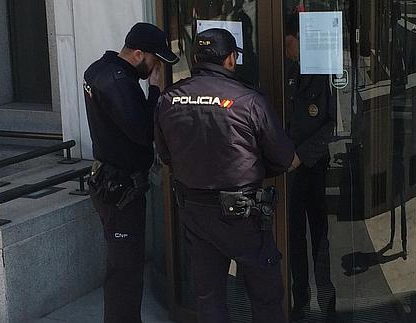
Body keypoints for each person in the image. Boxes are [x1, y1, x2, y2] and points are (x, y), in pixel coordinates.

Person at [154, 28, 300, 323]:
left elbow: (166, 155)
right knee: (266, 296)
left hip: (194, 211)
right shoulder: (249, 101)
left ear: (195, 58)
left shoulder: (168, 100)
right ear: (231, 59)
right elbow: (286, 159)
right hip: (243, 216)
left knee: (209, 298)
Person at [83, 22, 178, 323]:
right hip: (119, 188)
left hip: (115, 184)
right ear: (139, 54)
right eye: (154, 61)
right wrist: (154, 90)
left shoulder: (99, 70)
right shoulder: (116, 80)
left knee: (124, 265)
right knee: (126, 270)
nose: (155, 68)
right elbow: (142, 130)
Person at [284, 14, 337, 322]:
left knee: (321, 237)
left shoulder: (324, 72)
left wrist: (301, 155)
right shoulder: (284, 70)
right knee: (294, 239)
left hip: (313, 166)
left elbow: (332, 123)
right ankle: (300, 299)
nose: (287, 49)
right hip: (288, 170)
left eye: (289, 43)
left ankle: (328, 300)